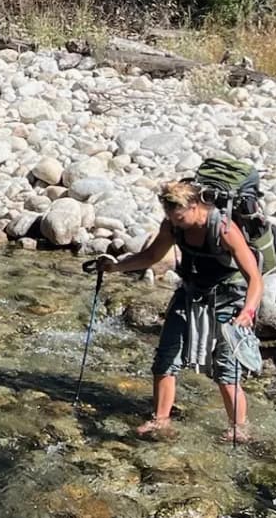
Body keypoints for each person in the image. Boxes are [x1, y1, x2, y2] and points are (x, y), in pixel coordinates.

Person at [83, 179, 264, 443]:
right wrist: (114, 267)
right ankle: (161, 420)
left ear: (194, 206)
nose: (175, 223)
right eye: (171, 217)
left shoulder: (223, 228)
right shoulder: (172, 226)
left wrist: (248, 311)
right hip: (190, 294)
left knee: (226, 370)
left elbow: (255, 279)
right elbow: (151, 256)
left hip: (229, 300)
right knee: (165, 358)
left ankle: (239, 428)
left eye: (179, 217)